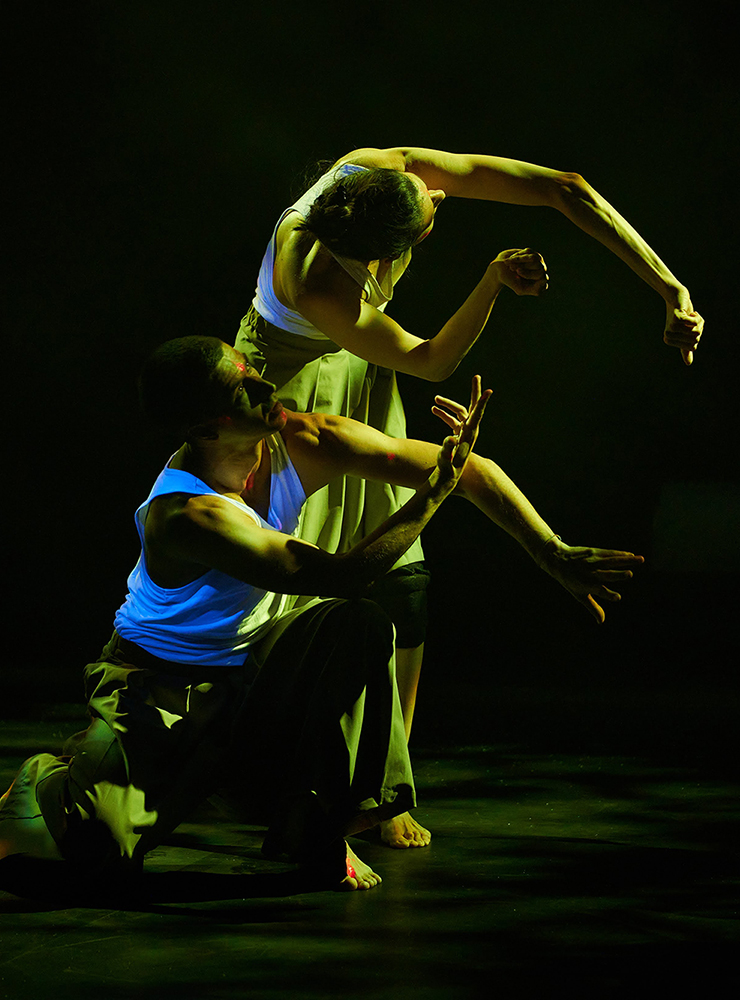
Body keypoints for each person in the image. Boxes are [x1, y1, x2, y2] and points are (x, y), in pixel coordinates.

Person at [0, 336, 642, 894]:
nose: (264, 383)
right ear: (208, 427)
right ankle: (53, 775)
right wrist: (431, 499)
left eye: (252, 368)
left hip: (251, 664)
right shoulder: (190, 516)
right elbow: (336, 572)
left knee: (356, 623)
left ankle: (321, 827)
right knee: (90, 865)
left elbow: (466, 469)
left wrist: (550, 552)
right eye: (242, 385)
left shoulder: (301, 439)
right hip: (160, 682)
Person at [234, 144, 700, 848]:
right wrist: (488, 283)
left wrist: (670, 289)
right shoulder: (315, 284)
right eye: (431, 213)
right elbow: (431, 360)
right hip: (291, 386)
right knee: (284, 590)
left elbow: (564, 187)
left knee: (406, 582)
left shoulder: (379, 169)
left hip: (362, 366)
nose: (441, 198)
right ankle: (261, 775)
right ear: (388, 248)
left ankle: (385, 788)